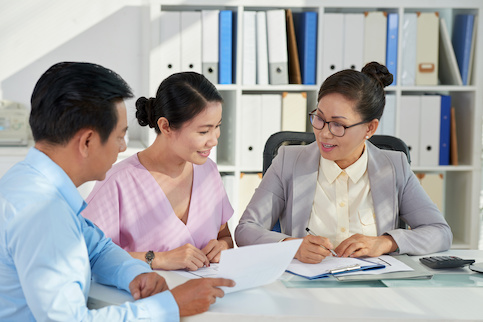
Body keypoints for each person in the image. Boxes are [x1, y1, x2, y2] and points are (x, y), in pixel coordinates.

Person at [0, 62, 234, 321]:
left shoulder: (35, 182)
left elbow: (97, 247)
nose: (123, 148)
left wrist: (136, 274)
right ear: (87, 141)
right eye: (119, 136)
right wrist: (172, 306)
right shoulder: (43, 213)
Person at [235, 62, 452, 263]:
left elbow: (440, 232)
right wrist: (291, 246)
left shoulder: (394, 167)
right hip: (306, 287)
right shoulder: (288, 161)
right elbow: (246, 230)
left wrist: (385, 242)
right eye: (319, 118)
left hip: (373, 287)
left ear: (370, 128)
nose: (324, 133)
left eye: (338, 125)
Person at [82, 71, 234, 271]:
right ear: (166, 126)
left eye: (217, 127)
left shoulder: (209, 172)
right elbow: (86, 255)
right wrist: (158, 259)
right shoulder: (117, 181)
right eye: (203, 131)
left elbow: (225, 236)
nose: (214, 139)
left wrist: (222, 246)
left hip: (208, 296)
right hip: (145, 299)